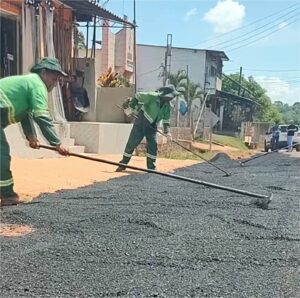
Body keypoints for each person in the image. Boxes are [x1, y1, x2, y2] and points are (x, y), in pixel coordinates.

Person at [0, 57, 69, 207]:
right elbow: (42, 117)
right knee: (1, 154)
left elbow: (26, 114)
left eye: (57, 80)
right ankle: (7, 195)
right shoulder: (37, 85)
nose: (55, 83)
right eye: (54, 78)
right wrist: (56, 143)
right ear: (43, 73)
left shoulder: (29, 82)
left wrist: (31, 137)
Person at [116, 85, 179, 172]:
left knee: (153, 145)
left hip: (152, 125)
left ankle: (151, 168)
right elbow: (138, 96)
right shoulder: (152, 96)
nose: (172, 98)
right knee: (132, 143)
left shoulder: (167, 107)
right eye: (171, 96)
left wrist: (167, 132)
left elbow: (166, 121)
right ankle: (122, 165)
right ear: (164, 95)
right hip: (141, 122)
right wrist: (131, 108)